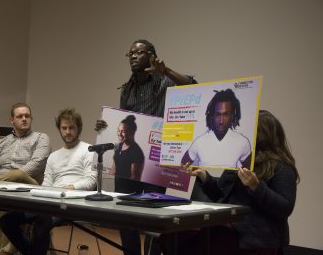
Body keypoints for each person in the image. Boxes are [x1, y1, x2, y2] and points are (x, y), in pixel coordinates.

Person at [96, 39, 197, 255]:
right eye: (130, 53)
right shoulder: (127, 89)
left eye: (139, 53)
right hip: (127, 158)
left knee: (154, 217)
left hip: (156, 159)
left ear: (151, 54)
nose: (133, 56)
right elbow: (125, 120)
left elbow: (193, 86)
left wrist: (166, 70)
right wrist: (107, 125)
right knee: (125, 214)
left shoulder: (165, 82)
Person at [163, 110, 299, 255]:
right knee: (171, 238)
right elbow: (222, 194)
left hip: (256, 239)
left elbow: (285, 208)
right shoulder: (240, 161)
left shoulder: (281, 168)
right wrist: (205, 178)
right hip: (228, 228)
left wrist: (256, 187)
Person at [0, 108, 97, 255]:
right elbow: (47, 184)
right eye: (64, 128)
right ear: (59, 129)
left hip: (74, 204)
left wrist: (70, 188)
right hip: (51, 202)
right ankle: (32, 252)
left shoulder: (89, 150)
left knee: (42, 222)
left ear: (79, 129)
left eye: (71, 128)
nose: (68, 132)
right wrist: (42, 194)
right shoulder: (54, 156)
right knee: (6, 221)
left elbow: (91, 180)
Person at [0, 102, 51, 255]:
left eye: (27, 116)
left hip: (29, 187)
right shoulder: (0, 143)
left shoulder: (41, 138)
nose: (24, 119)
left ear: (31, 118)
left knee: (18, 174)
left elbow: (37, 164)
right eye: (20, 116)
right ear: (11, 120)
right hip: (2, 189)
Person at [181, 88, 252, 169]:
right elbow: (182, 165)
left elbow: (248, 171)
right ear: (212, 116)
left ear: (232, 116)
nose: (221, 121)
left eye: (225, 114)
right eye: (218, 114)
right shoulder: (199, 142)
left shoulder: (243, 142)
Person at [109, 115, 145, 181]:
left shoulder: (136, 152)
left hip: (128, 189)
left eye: (123, 131)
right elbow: (113, 169)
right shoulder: (118, 146)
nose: (119, 134)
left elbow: (134, 177)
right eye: (118, 130)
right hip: (116, 186)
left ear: (132, 132)